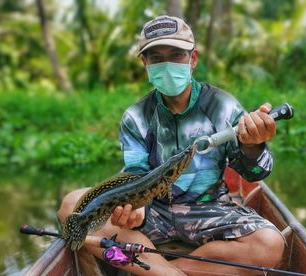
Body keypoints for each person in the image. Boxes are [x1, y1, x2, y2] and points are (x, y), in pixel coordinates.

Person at [58, 15, 284, 275]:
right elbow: (135, 175)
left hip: (210, 209)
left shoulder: (223, 105)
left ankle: (161, 271)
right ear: (145, 63)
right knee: (71, 205)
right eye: (156, 57)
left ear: (193, 59)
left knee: (270, 244)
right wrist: (135, 210)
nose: (166, 64)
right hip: (154, 212)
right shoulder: (136, 116)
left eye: (176, 54)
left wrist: (254, 146)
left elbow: (256, 173)